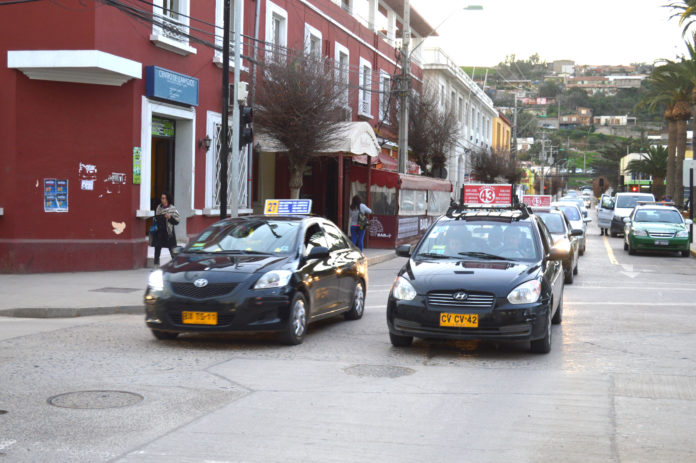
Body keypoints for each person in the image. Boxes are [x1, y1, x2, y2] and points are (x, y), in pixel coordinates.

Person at [152, 192, 180, 266]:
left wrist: (170, 218)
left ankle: (176, 265)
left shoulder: (172, 209)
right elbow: (157, 218)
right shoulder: (159, 208)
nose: (162, 200)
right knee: (157, 250)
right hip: (159, 233)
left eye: (164, 198)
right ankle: (156, 266)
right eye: (161, 198)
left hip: (169, 233)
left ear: (168, 199)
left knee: (173, 251)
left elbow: (177, 221)